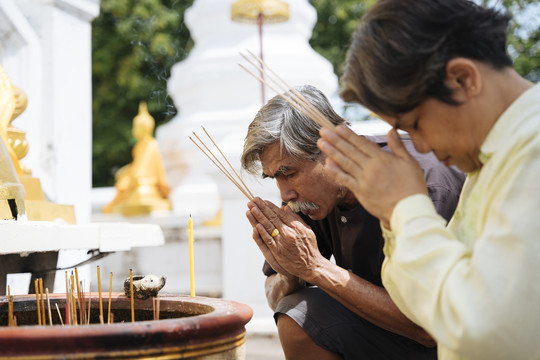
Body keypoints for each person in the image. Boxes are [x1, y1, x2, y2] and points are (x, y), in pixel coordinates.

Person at [316, 0, 540, 359]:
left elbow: (485, 331)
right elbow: (424, 307)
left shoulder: (532, 149)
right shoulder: (490, 159)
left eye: (415, 125)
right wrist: (393, 219)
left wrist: (406, 207)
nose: (421, 147)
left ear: (463, 78)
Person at [243, 85, 465, 359]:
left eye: (288, 173)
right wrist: (291, 270)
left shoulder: (421, 185)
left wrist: (315, 267)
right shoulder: (306, 201)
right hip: (382, 333)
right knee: (297, 312)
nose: (284, 194)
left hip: (455, 341)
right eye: (274, 177)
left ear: (332, 147)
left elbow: (428, 328)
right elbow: (275, 296)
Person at [103, 101, 171, 215]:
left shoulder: (153, 145)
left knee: (137, 188)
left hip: (148, 184)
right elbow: (135, 167)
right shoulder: (138, 147)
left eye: (136, 127)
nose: (134, 130)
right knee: (123, 180)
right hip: (136, 183)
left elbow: (158, 170)